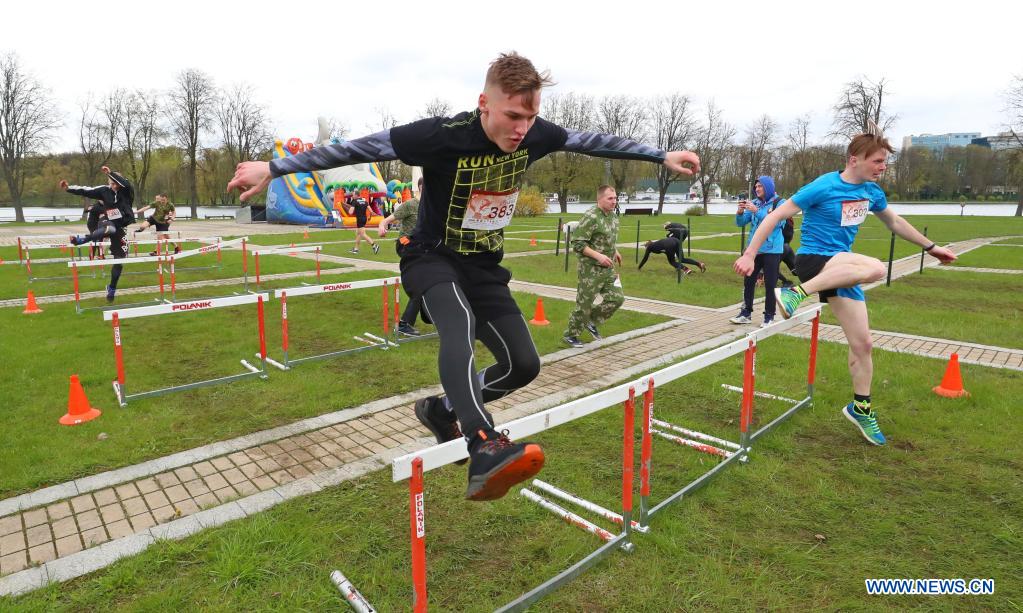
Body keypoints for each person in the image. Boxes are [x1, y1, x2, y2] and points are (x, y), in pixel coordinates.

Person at [228, 52, 700, 501]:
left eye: (530, 118)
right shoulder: (441, 135)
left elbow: (595, 141)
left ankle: (442, 410)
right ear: (484, 104)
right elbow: (359, 147)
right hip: (431, 255)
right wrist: (275, 167)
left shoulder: (536, 134)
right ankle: (481, 442)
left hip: (483, 265)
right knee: (460, 327)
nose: (522, 129)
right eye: (513, 116)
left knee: (524, 365)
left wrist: (661, 157)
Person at [732, 130, 956, 446]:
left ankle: (860, 407)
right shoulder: (825, 185)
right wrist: (750, 253)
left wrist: (931, 247)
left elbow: (895, 222)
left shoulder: (872, 192)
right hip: (814, 259)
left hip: (842, 269)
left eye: (885, 162)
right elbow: (775, 217)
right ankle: (797, 292)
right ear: (855, 159)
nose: (882, 168)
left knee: (863, 343)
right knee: (877, 268)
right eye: (877, 161)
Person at [562, 186, 624, 348]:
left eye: (615, 198)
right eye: (610, 199)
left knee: (617, 298)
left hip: (608, 268)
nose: (614, 201)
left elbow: (607, 239)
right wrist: (598, 256)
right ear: (600, 199)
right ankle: (571, 335)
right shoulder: (591, 217)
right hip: (590, 270)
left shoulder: (613, 217)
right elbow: (577, 243)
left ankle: (592, 321)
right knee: (584, 305)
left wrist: (615, 251)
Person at [63, 166, 136, 303]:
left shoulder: (126, 190)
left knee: (119, 261)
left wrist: (111, 173)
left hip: (121, 226)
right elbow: (86, 190)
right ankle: (83, 239)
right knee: (110, 229)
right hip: (107, 222)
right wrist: (69, 188)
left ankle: (112, 288)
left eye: (116, 183)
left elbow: (125, 183)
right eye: (111, 183)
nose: (113, 186)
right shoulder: (104, 190)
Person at [730, 176, 786, 327]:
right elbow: (740, 223)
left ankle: (769, 316)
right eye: (756, 187)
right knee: (748, 281)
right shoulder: (754, 203)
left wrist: (757, 211)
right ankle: (746, 313)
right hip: (753, 251)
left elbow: (777, 222)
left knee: (770, 283)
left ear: (768, 187)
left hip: (772, 249)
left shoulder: (780, 203)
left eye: (760, 186)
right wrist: (740, 212)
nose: (757, 189)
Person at [378, 177, 425, 336]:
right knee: (422, 285)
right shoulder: (410, 205)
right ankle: (405, 324)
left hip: (422, 248)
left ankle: (410, 321)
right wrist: (381, 226)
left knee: (427, 284)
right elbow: (386, 220)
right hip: (406, 245)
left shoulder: (430, 207)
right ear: (421, 187)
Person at [638, 221, 706, 273]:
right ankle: (699, 264)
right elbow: (672, 234)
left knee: (672, 261)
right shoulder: (657, 243)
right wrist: (669, 236)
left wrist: (639, 267)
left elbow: (645, 258)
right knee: (681, 259)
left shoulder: (650, 247)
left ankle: (686, 269)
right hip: (679, 239)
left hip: (672, 241)